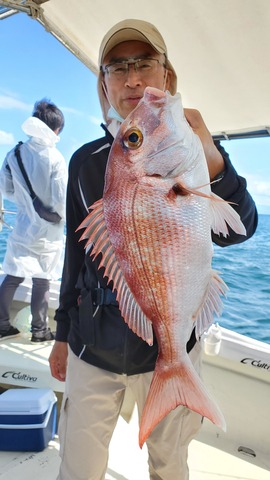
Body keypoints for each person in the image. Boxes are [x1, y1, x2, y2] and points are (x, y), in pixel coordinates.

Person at [49, 19, 258, 480]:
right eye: (117, 68)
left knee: (170, 467)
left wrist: (212, 157)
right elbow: (74, 256)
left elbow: (239, 229)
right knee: (78, 468)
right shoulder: (85, 162)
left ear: (168, 75)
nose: (133, 78)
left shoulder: (196, 152)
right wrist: (62, 335)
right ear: (103, 84)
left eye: (145, 63)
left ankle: (174, 373)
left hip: (172, 342)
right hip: (93, 346)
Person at [0, 99, 67, 343]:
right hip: (49, 230)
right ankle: (40, 331)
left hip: (23, 225)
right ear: (56, 129)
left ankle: (1, 325)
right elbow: (60, 201)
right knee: (43, 279)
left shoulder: (15, 152)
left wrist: (27, 205)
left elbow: (6, 189)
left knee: (13, 275)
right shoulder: (55, 158)